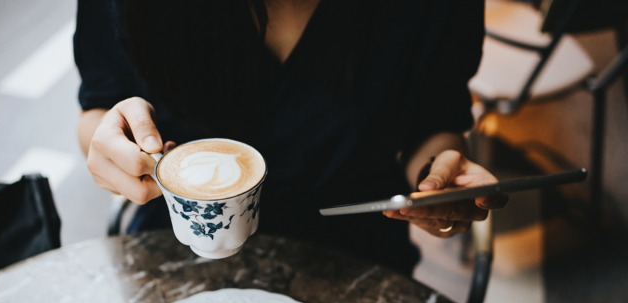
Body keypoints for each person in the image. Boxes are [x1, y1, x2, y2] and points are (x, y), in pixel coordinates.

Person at [74, 0, 506, 274]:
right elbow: (100, 104)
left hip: (353, 251)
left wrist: (436, 178)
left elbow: (434, 120)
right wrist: (108, 145)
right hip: (175, 246)